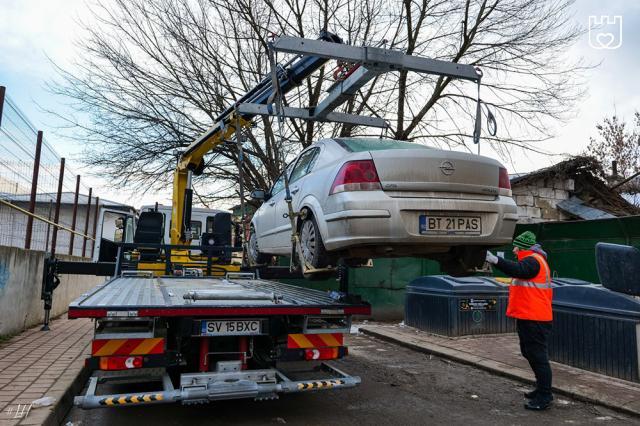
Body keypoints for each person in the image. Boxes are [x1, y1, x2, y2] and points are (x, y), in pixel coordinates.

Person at [485, 231, 553, 411]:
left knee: (538, 356)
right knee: (530, 353)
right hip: (529, 316)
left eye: (516, 247)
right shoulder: (533, 260)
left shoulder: (533, 260)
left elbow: (518, 270)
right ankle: (541, 388)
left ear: (523, 247)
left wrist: (495, 260)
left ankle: (545, 395)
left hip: (535, 318)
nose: (514, 250)